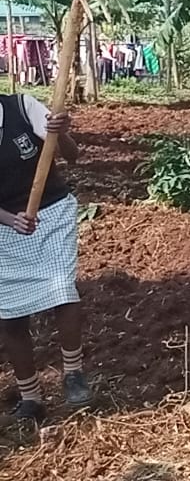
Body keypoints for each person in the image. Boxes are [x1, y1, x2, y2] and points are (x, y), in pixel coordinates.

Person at [0, 93, 91, 422]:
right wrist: (10, 219)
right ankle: (30, 396)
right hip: (4, 223)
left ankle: (73, 372)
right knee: (9, 313)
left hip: (50, 214)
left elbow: (73, 155)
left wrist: (60, 132)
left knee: (62, 289)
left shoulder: (22, 108)